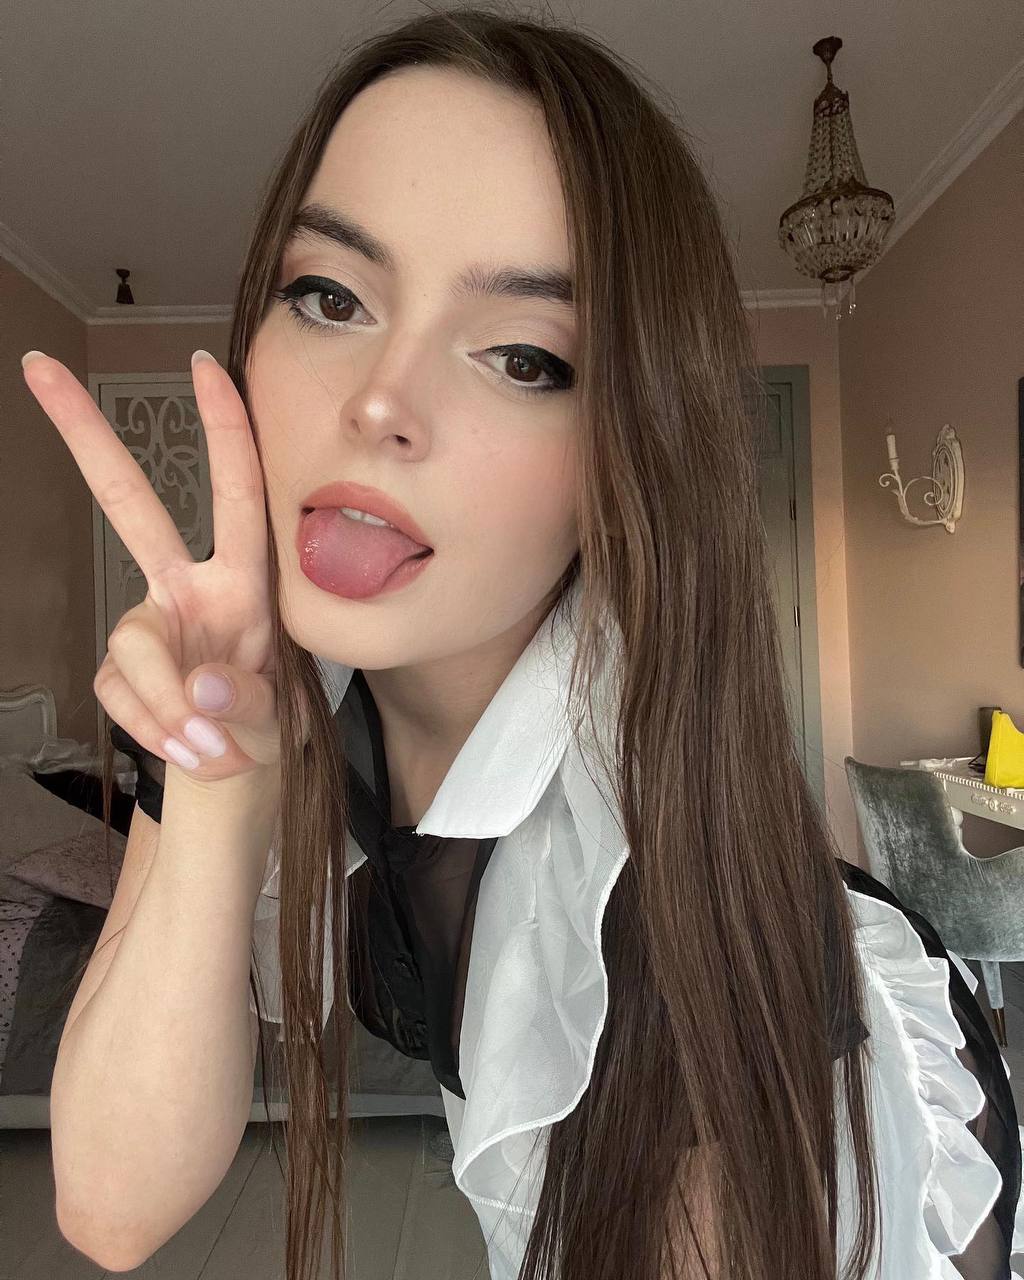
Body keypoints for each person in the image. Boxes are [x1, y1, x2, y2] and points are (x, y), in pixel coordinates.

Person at [22, 8, 1023, 1279]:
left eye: (521, 356)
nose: (379, 403)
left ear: (627, 448)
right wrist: (216, 768)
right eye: (330, 295)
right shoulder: (286, 695)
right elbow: (110, 1206)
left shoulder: (674, 957)